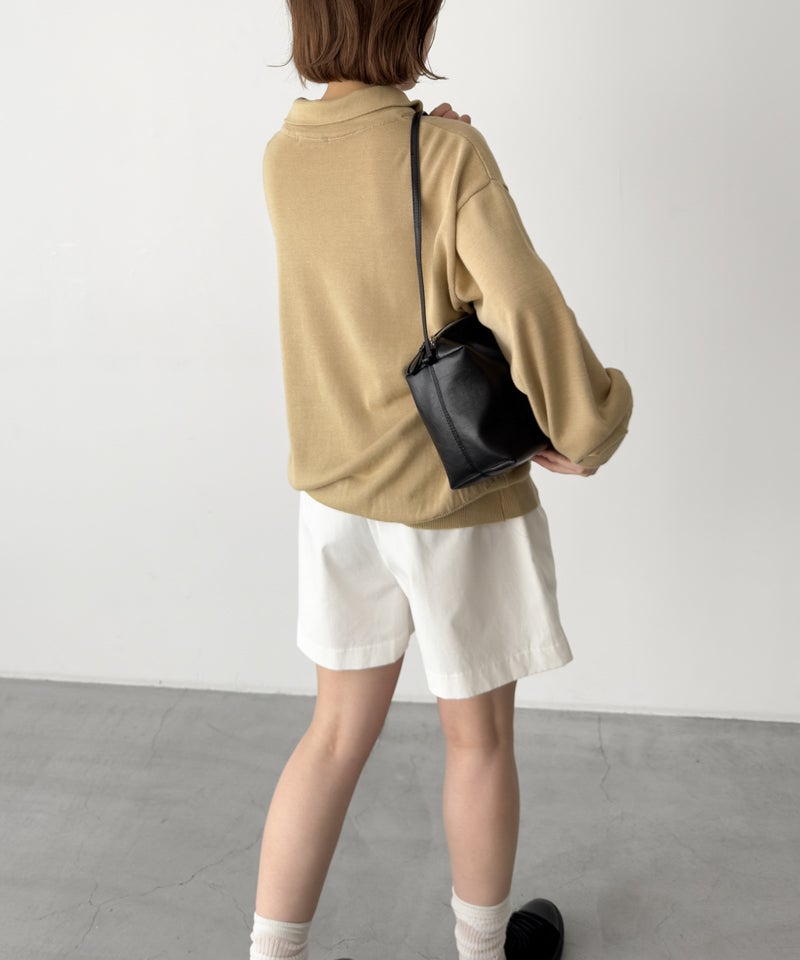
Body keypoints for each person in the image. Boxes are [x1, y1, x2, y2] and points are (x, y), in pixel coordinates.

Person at [252, 2, 634, 960]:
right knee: (479, 741)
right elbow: (525, 307)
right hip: (454, 499)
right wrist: (590, 422)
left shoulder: (284, 154)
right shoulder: (448, 156)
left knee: (332, 737)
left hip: (335, 500)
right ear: (412, 24)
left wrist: (434, 147)